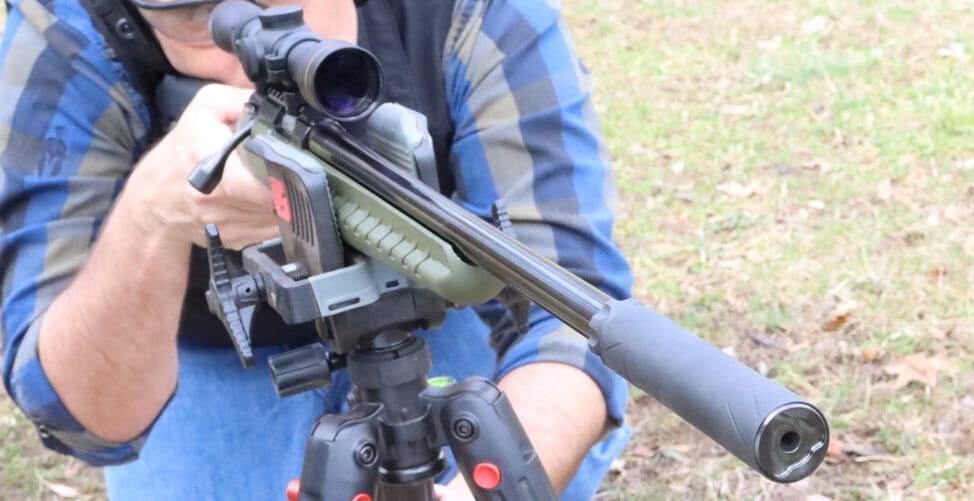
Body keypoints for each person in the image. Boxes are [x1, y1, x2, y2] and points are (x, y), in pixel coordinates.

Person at [0, 0, 634, 498]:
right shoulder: (70, 36)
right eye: (199, 15)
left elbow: (574, 314)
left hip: (437, 314)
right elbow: (73, 408)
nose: (249, 59)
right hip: (205, 354)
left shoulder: (475, 14)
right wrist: (153, 219)